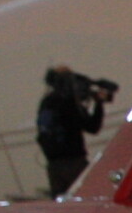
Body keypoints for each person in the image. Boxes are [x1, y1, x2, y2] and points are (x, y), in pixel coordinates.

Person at [35, 65, 111, 196]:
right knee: (86, 196)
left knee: (62, 201)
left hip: (53, 165)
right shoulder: (69, 102)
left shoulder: (46, 102)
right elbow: (93, 127)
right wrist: (98, 104)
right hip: (74, 161)